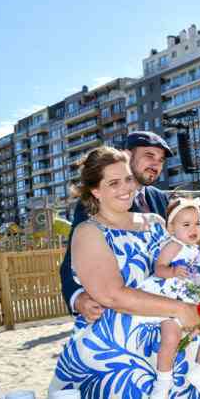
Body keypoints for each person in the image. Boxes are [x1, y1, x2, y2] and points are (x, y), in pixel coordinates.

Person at [49, 147, 200, 398]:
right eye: (113, 183)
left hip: (168, 341)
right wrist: (181, 309)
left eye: (128, 179)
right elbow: (112, 295)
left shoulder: (155, 222)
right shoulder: (89, 232)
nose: (125, 188)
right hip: (117, 354)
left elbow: (179, 264)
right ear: (96, 191)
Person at [60, 131, 172, 322]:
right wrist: (78, 298)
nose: (156, 164)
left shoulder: (161, 199)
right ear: (128, 156)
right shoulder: (93, 206)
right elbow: (74, 257)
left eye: (161, 160)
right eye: (149, 156)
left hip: (162, 314)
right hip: (117, 317)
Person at [136, 198, 200, 399]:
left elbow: (198, 276)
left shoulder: (195, 251)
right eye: (186, 224)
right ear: (172, 229)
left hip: (191, 302)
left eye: (198, 223)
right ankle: (163, 382)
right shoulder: (174, 246)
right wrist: (173, 270)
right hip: (171, 301)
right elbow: (159, 268)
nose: (194, 228)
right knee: (171, 337)